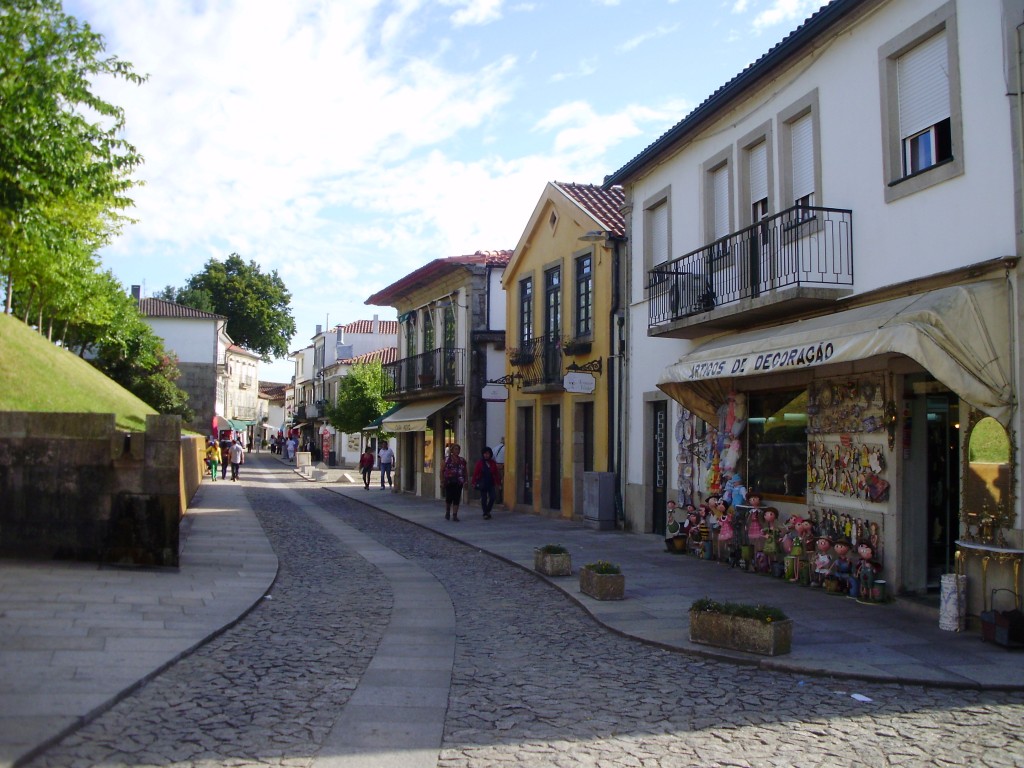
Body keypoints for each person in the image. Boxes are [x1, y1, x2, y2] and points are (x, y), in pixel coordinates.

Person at [472, 447, 502, 520]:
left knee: (493, 497)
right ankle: (485, 513)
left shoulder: (492, 463)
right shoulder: (480, 463)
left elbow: (496, 474)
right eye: (485, 453)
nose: (486, 455)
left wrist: (498, 484)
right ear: (483, 454)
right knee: (484, 499)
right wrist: (473, 482)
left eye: (488, 454)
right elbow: (475, 473)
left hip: (491, 483)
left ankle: (487, 510)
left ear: (490, 454)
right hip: (483, 483)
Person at [442, 443, 467, 521]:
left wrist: (466, 481)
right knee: (449, 498)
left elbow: (465, 471)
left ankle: (455, 515)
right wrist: (442, 481)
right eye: (455, 449)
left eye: (458, 449)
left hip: (459, 482)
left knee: (457, 498)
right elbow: (442, 470)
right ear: (452, 450)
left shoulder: (462, 460)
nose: (457, 451)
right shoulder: (446, 459)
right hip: (449, 481)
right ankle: (447, 511)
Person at [493, 437, 505, 503]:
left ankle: (497, 499)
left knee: (497, 483)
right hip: (504, 467)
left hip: (496, 466)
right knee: (504, 483)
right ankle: (503, 499)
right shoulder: (506, 448)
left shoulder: (496, 448)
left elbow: (492, 457)